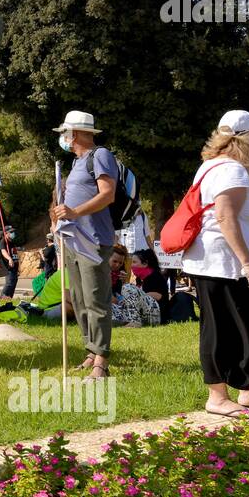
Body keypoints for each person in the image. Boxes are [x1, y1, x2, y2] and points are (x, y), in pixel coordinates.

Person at [180, 110, 249, 417]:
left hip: (218, 263)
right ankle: (218, 397)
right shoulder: (232, 171)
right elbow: (224, 216)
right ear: (247, 139)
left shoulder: (214, 168)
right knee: (223, 330)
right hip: (223, 265)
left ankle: (247, 390)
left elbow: (225, 206)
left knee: (239, 327)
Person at [51, 111, 119, 378]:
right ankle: (91, 351)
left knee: (96, 299)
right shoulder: (77, 162)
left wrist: (75, 212)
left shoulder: (100, 155)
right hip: (73, 240)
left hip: (93, 240)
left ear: (74, 133)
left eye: (64, 134)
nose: (63, 139)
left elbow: (108, 195)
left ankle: (102, 358)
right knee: (79, 299)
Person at [108, 244, 160, 327]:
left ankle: (134, 321)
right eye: (115, 261)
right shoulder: (110, 274)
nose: (117, 265)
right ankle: (124, 322)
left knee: (128, 287)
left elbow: (159, 296)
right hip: (131, 310)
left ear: (145, 263)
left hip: (150, 311)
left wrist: (124, 284)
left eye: (120, 263)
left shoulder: (154, 276)